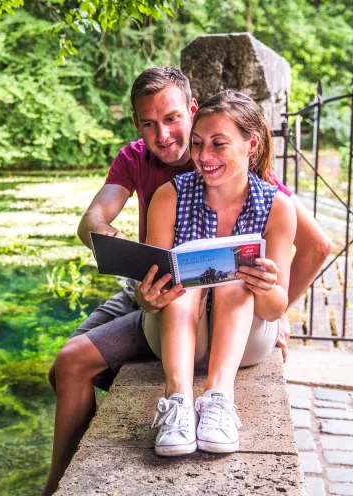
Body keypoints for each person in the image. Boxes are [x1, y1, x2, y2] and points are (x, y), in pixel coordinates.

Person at [43, 68, 332, 495]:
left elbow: (315, 248)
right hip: (159, 295)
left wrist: (276, 306)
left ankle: (213, 399)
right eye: (148, 123)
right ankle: (60, 482)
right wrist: (105, 237)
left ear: (192, 112)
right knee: (67, 365)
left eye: (173, 120)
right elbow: (94, 218)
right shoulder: (146, 169)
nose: (163, 135)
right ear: (138, 125)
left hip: (229, 310)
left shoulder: (257, 185)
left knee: (228, 274)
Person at [144, 90, 296, 456]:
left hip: (246, 341)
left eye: (218, 144)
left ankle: (219, 399)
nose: (203, 157)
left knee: (233, 274)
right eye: (197, 144)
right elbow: (146, 298)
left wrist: (265, 284)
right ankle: (177, 401)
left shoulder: (278, 207)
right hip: (174, 335)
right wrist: (147, 296)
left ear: (251, 144)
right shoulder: (169, 196)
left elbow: (276, 309)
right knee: (187, 276)